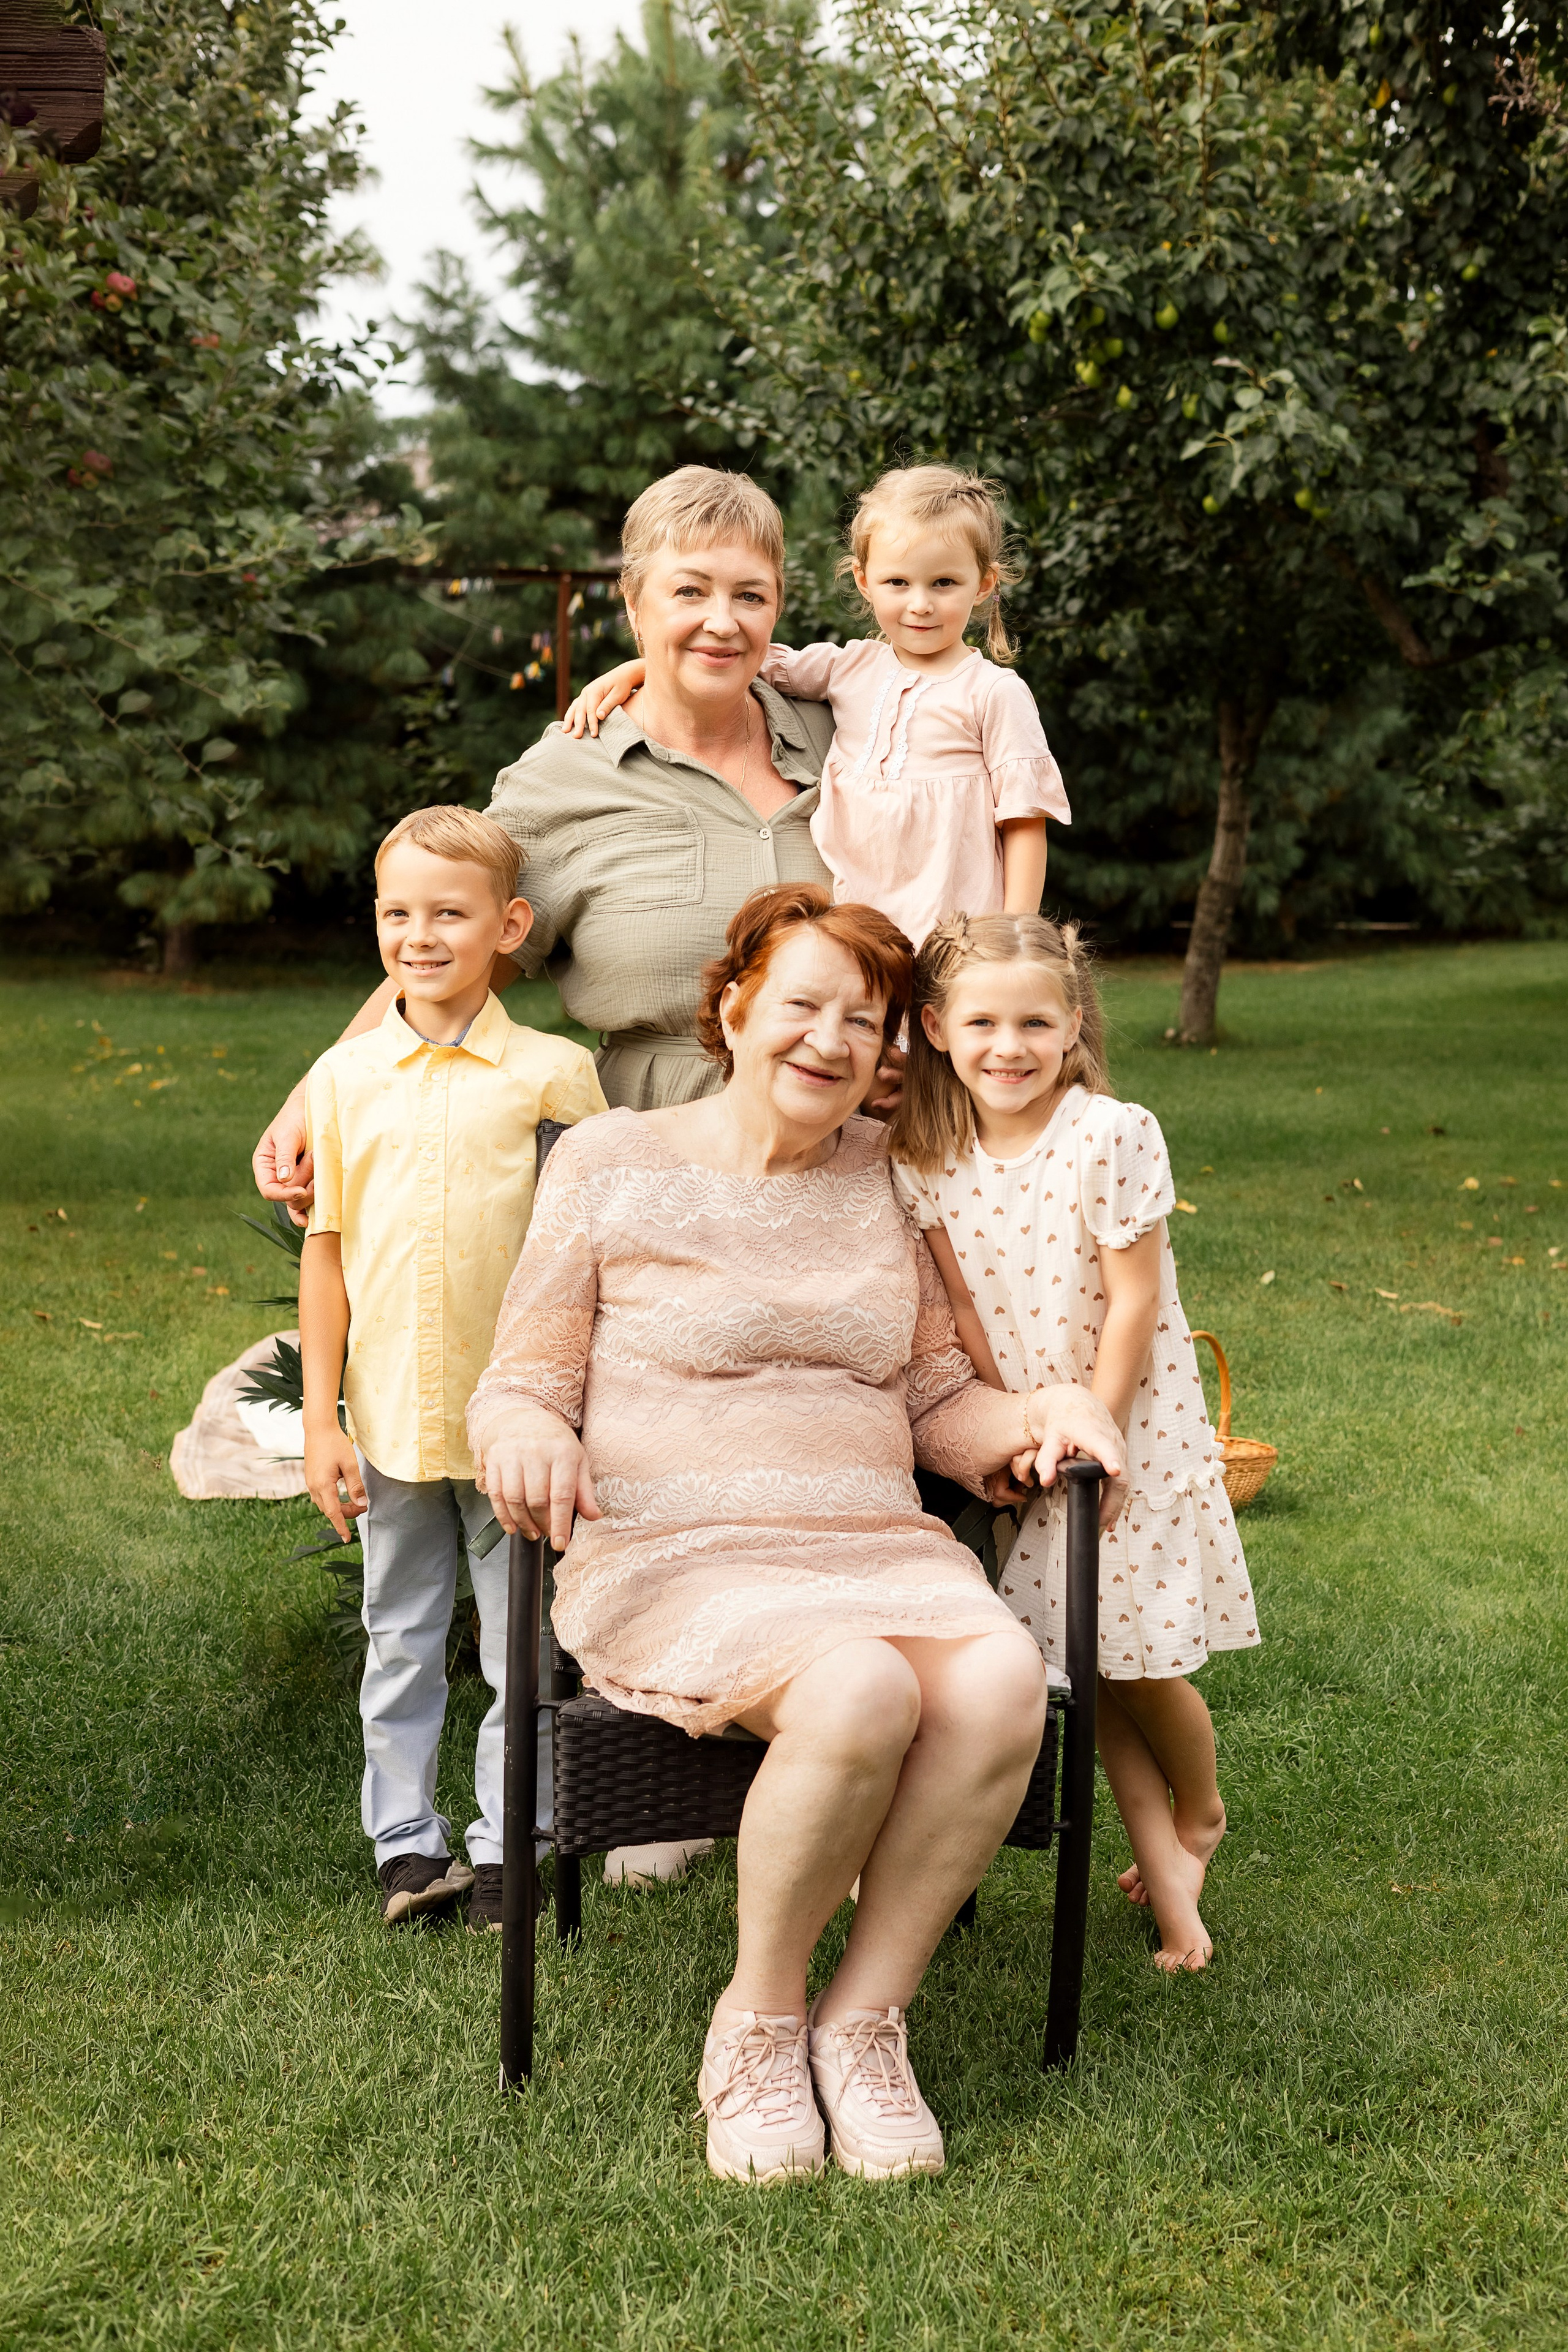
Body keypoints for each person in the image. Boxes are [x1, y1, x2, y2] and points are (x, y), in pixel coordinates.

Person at [251, 462, 876, 1886]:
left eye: (749, 594)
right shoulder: (562, 774)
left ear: (783, 607)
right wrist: (319, 1088)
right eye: (683, 593)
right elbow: (452, 927)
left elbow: (954, 666)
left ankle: (834, 1748)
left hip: (854, 1142)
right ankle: (661, 1755)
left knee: (839, 1446)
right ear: (630, 597)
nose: (717, 621)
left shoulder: (845, 725)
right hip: (656, 1148)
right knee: (670, 1460)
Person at [468, 883, 1127, 2183]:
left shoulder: (889, 1176)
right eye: (801, 1007)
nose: (831, 1042)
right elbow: (522, 1379)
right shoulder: (612, 1163)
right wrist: (526, 1435)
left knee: (997, 1683)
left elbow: (936, 1395)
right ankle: (757, 2026)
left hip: (866, 1539)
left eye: (864, 1020)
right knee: (860, 1685)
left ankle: (862, 2022)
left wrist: (1038, 1415)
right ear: (733, 1008)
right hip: (676, 1548)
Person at [891, 913, 1260, 1972]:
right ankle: (1177, 1901)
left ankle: (1201, 1806)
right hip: (1040, 1434)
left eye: (1035, 1023)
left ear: (1073, 1026)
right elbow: (961, 1311)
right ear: (937, 1028)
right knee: (1082, 1667)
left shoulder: (1110, 1134)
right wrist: (1016, 1428)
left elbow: (1136, 1302)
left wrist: (1093, 1420)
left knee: (1138, 1660)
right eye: (984, 1023)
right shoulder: (928, 1157)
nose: (1009, 1047)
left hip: (1129, 1420)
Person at [298, 806, 606, 1932]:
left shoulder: (553, 1075)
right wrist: (324, 1421)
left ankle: (505, 1843)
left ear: (507, 925)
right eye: (396, 912)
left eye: (448, 912)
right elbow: (326, 1252)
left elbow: (589, 1261)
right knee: (402, 1635)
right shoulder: (343, 1078)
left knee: (523, 1648)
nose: (419, 934)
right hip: (386, 1421)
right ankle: (406, 1847)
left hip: (512, 1422)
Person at [565, 464, 1071, 950]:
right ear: (864, 580)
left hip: (959, 927)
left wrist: (1014, 936)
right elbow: (740, 658)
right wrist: (635, 670)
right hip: (863, 929)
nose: (920, 603)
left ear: (983, 583)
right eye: (899, 582)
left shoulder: (994, 692)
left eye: (944, 583)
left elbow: (1024, 820)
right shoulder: (847, 669)